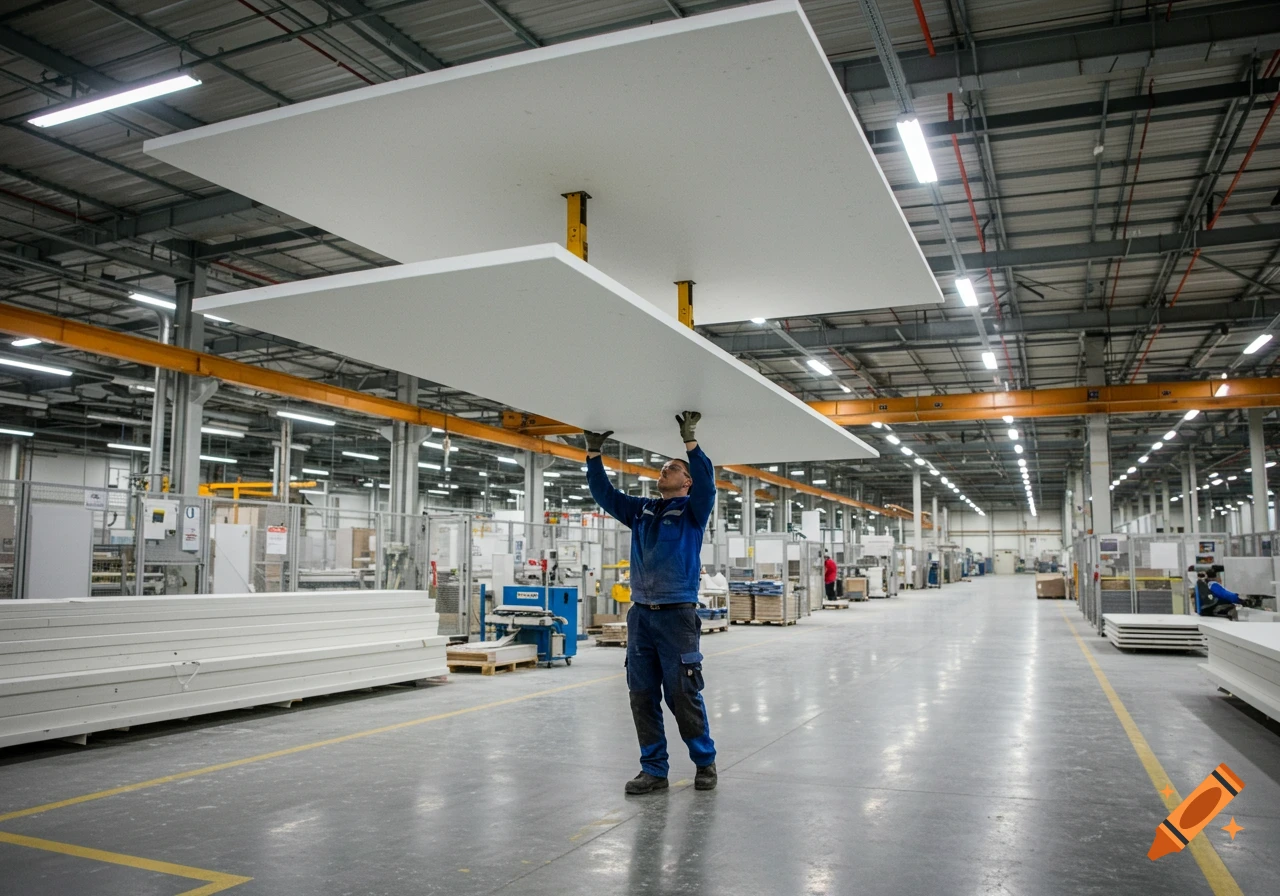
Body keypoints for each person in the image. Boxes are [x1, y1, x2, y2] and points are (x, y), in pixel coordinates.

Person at [584, 412, 717, 795]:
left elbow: (707, 483)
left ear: (686, 481)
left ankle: (704, 763)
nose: (663, 470)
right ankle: (654, 769)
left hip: (677, 616)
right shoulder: (642, 510)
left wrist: (690, 443)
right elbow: (605, 495)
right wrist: (594, 454)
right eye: (662, 467)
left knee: (682, 695)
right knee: (641, 695)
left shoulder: (694, 510)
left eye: (672, 468)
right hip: (641, 616)